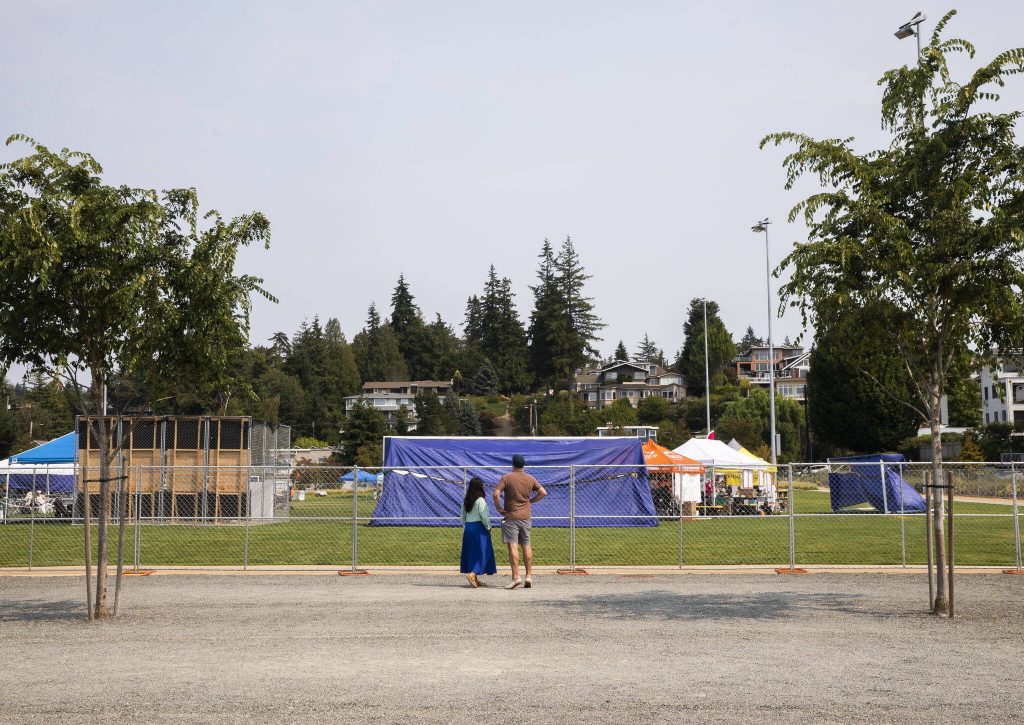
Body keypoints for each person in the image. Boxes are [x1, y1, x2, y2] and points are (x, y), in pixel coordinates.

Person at [493, 454, 547, 589]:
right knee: (526, 545)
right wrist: (530, 501)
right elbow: (543, 493)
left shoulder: (506, 478)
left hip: (511, 517)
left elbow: (496, 493)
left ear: (513, 464)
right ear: (523, 465)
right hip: (526, 517)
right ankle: (529, 576)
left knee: (513, 546)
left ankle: (516, 577)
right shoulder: (530, 478)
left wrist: (499, 508)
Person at [460, 476, 496, 588]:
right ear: (480, 487)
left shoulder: (466, 501)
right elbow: (484, 516)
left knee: (471, 552)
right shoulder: (480, 500)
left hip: (468, 527)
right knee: (482, 552)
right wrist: (488, 526)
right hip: (479, 528)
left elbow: (463, 517)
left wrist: (467, 525)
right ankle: (472, 574)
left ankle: (475, 579)